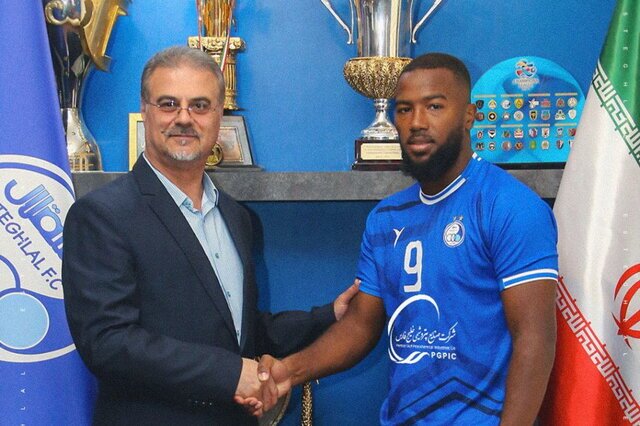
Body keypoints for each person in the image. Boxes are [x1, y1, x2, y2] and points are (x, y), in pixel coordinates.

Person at [253, 53, 559, 425]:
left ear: (469, 115)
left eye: (434, 106)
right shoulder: (386, 217)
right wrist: (290, 370)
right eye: (404, 109)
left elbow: (535, 338)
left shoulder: (510, 206)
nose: (416, 123)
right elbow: (360, 325)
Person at [62, 46, 357, 425]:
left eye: (200, 106)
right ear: (145, 111)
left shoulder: (236, 217)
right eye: (169, 104)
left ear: (219, 115)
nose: (184, 118)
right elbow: (108, 343)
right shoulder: (102, 215)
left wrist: (327, 316)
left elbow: (236, 332)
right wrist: (231, 374)